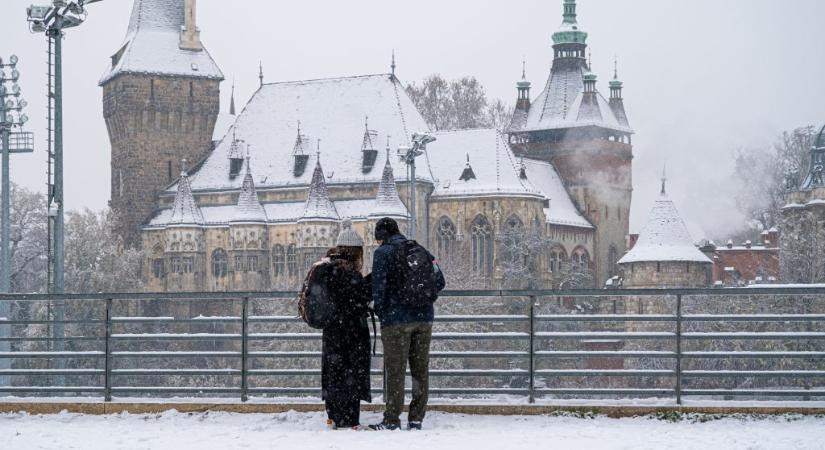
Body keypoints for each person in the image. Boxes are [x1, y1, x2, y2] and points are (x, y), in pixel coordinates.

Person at [369, 217, 445, 431]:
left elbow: (378, 288)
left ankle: (392, 419)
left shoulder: (382, 254)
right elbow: (440, 281)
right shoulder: (419, 250)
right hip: (424, 319)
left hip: (396, 321)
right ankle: (416, 418)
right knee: (420, 370)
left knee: (396, 370)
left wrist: (384, 311)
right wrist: (422, 300)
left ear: (381, 237)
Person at [313, 222, 372, 430]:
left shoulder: (325, 268)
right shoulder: (348, 272)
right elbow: (356, 299)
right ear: (355, 251)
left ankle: (332, 415)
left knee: (333, 370)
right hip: (351, 332)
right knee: (351, 373)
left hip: (331, 331)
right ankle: (349, 418)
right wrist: (370, 283)